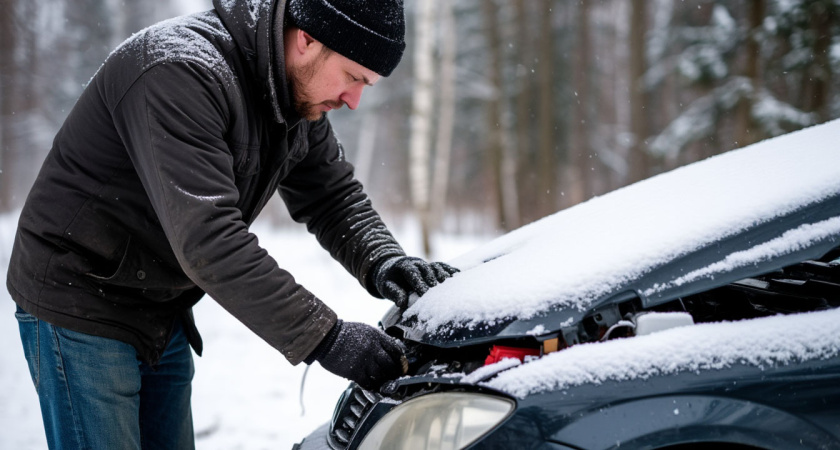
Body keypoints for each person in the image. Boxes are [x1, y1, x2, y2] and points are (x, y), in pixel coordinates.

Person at [6, 0, 458, 447]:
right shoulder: (178, 71)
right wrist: (327, 337)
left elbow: (331, 196)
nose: (354, 100)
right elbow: (209, 239)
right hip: (79, 295)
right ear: (307, 39)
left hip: (157, 304)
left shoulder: (296, 96)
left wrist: (384, 260)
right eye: (354, 77)